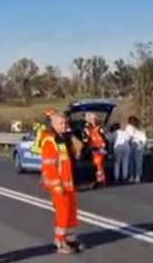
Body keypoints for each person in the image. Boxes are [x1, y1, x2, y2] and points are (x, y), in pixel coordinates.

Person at [40, 109, 84, 254]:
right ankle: (59, 241)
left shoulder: (63, 138)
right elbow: (49, 165)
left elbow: (79, 149)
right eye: (60, 123)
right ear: (52, 124)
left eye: (65, 123)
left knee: (71, 212)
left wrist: (70, 135)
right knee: (63, 213)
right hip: (58, 184)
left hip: (68, 184)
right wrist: (57, 185)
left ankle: (70, 239)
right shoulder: (49, 139)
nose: (64, 125)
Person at [82, 112, 108, 189]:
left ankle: (100, 180)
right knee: (97, 165)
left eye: (94, 119)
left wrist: (105, 146)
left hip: (100, 148)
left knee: (99, 164)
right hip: (92, 148)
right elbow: (85, 138)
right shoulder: (87, 128)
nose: (93, 121)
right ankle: (100, 179)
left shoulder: (100, 128)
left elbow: (104, 137)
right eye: (91, 119)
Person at [126, 116, 147, 183]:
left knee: (132, 161)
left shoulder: (129, 127)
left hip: (134, 145)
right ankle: (137, 176)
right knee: (137, 161)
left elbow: (129, 136)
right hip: (138, 145)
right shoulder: (140, 128)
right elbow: (144, 138)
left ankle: (133, 176)